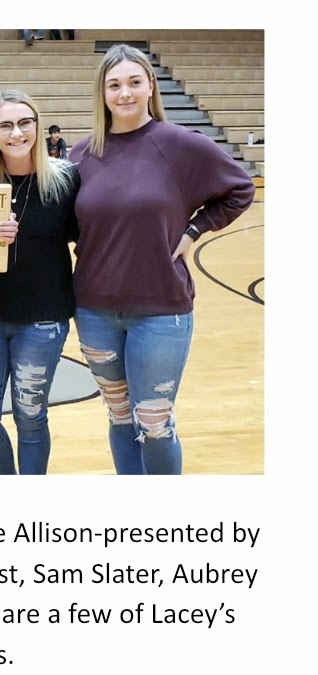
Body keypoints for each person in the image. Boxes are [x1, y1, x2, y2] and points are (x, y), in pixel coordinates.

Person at [68, 44, 255, 475]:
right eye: (114, 85)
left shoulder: (180, 145)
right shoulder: (81, 154)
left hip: (160, 310)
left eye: (134, 82)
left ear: (150, 86)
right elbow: (68, 222)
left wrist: (194, 231)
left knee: (154, 423)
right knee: (119, 416)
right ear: (102, 93)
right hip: (94, 310)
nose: (125, 93)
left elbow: (240, 188)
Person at [0, 90, 79, 475]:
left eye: (24, 123)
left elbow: (89, 239)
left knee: (30, 416)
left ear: (38, 126)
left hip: (44, 319)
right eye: (5, 125)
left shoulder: (66, 179)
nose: (16, 133)